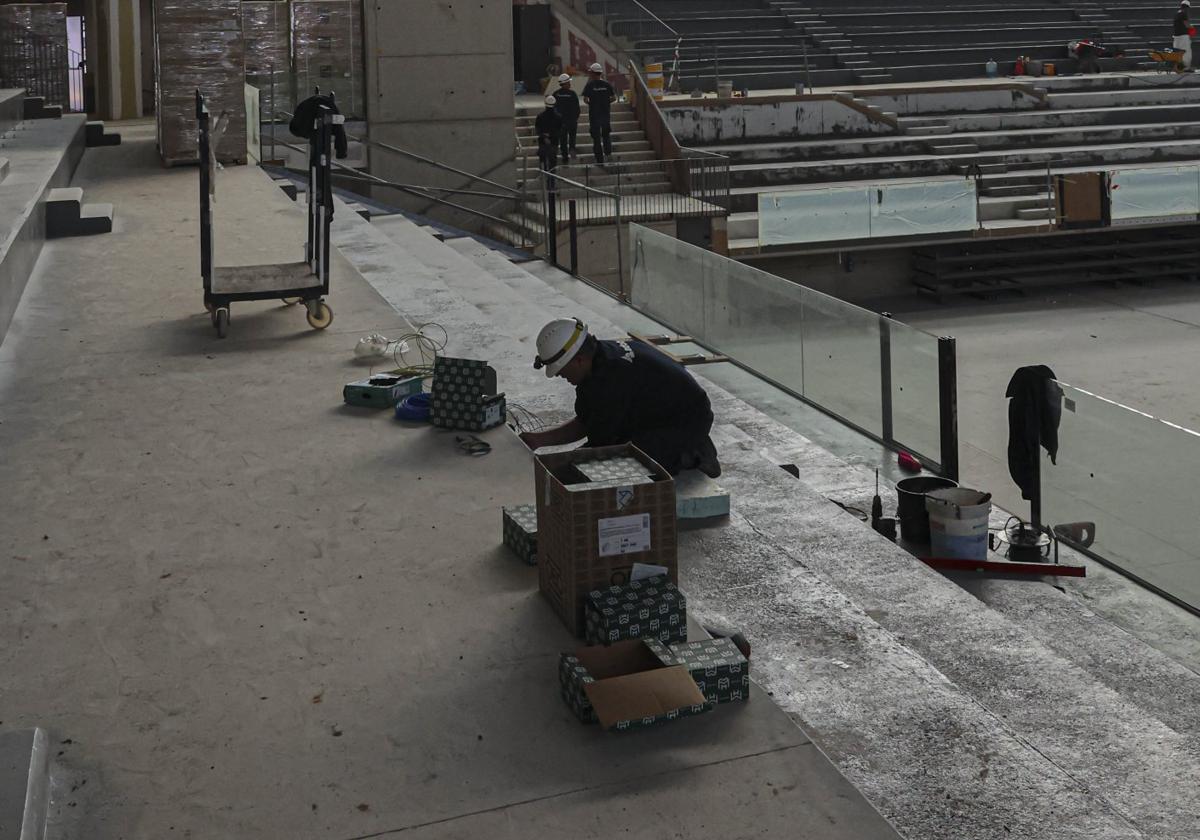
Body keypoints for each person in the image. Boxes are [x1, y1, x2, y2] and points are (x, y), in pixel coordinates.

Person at [520, 318, 721, 478]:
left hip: (689, 421)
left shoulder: (610, 380)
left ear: (579, 360)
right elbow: (585, 423)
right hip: (660, 411)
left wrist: (558, 468)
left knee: (622, 463)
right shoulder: (596, 360)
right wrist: (538, 440)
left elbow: (600, 447)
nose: (560, 376)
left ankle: (693, 453)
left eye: (561, 371)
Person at [581, 62, 616, 165]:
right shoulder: (607, 84)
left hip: (594, 115)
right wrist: (605, 102)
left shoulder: (590, 85)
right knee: (606, 135)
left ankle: (599, 159)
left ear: (592, 73)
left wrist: (593, 104)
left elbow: (585, 99)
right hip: (605, 114)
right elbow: (614, 98)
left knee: (596, 137)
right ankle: (608, 154)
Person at [552, 74, 581, 165]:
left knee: (563, 140)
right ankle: (572, 148)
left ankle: (565, 157)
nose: (570, 84)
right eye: (569, 82)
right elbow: (577, 108)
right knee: (572, 137)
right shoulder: (572, 94)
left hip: (560, 122)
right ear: (565, 83)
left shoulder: (556, 94)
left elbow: (553, 108)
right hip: (571, 121)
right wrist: (575, 118)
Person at [534, 94, 562, 181]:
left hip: (543, 142)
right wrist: (551, 136)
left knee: (542, 159)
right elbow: (560, 130)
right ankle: (552, 178)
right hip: (553, 142)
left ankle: (543, 175)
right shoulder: (558, 117)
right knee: (552, 161)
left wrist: (544, 136)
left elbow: (537, 129)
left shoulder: (540, 116)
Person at [1175, 0, 1193, 70]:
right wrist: (1192, 27)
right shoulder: (1183, 13)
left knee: (1178, 53)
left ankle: (1179, 68)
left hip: (1176, 36)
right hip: (1183, 36)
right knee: (1186, 53)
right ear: (1187, 7)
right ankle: (1186, 68)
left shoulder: (1177, 13)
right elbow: (1187, 25)